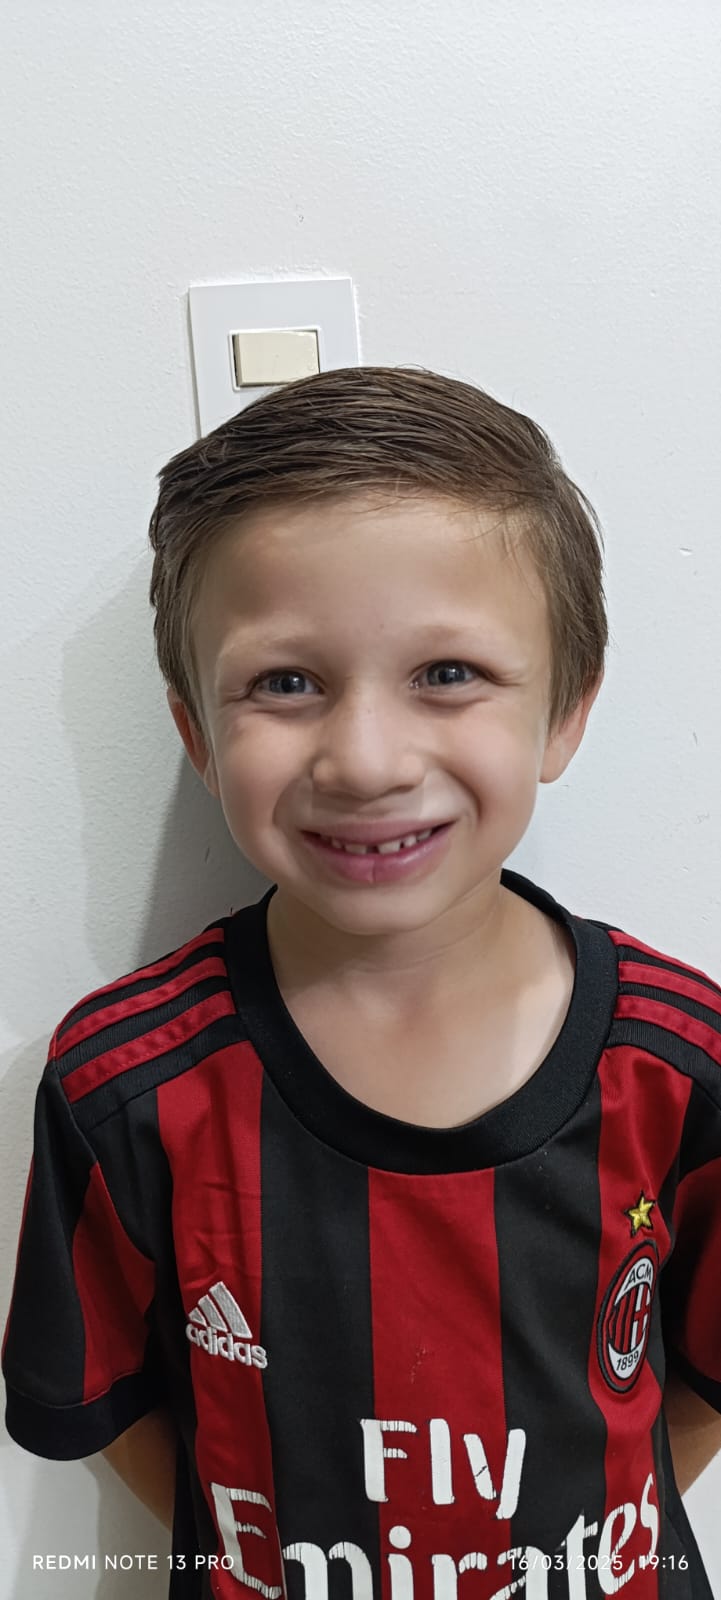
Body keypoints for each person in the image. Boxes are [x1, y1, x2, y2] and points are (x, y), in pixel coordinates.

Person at [3, 365, 721, 1600]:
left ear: (564, 712)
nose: (368, 760)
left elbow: (695, 1388)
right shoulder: (125, 1084)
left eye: (446, 673)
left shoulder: (680, 1061)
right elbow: (110, 1402)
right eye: (286, 682)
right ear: (197, 733)